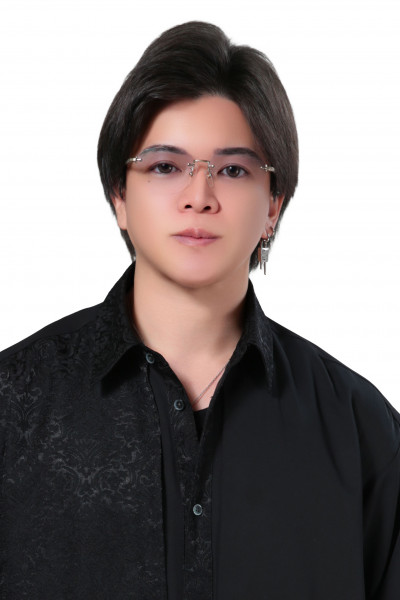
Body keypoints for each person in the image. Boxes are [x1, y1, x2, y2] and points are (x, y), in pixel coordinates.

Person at [0, 20, 399, 600]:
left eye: (233, 170)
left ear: (273, 206)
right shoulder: (13, 403)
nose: (199, 196)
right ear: (119, 197)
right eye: (165, 166)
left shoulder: (360, 430)